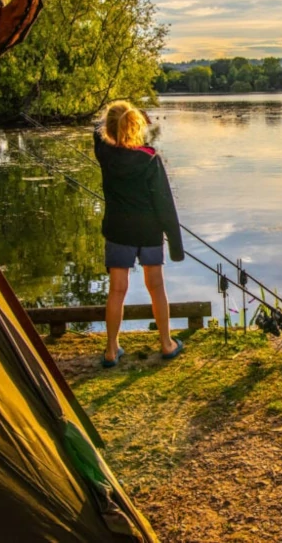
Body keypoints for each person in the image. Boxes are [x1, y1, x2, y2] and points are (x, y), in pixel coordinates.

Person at [93, 100, 185, 366]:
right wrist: (176, 247)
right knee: (156, 287)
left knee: (117, 290)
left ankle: (111, 350)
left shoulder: (105, 154)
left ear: (109, 129)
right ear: (137, 126)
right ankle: (167, 344)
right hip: (148, 231)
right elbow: (165, 204)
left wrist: (116, 119)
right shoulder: (149, 159)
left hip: (119, 230)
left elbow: (96, 131)